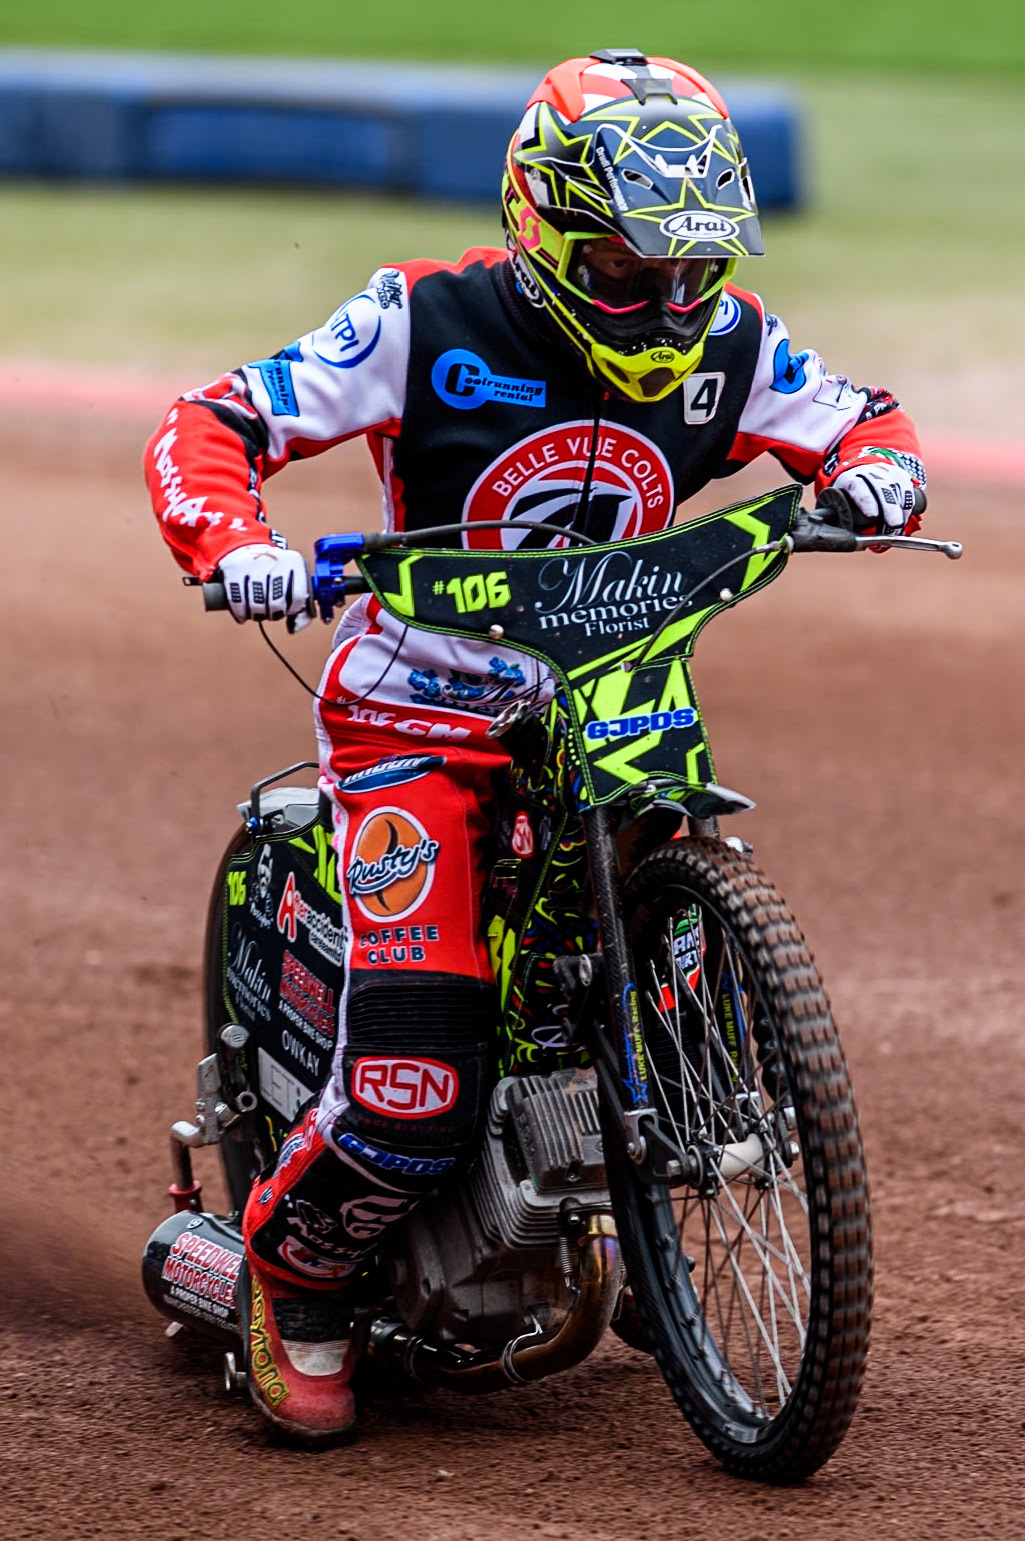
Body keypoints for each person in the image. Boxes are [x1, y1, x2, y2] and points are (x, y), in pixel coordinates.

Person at [144, 49, 925, 1441]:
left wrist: (877, 471)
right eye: (635, 268)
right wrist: (241, 546)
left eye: (692, 267)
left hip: (622, 700)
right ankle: (291, 1269)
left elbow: (859, 415)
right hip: (414, 715)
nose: (672, 301)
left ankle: (641, 1190)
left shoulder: (730, 341)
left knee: (693, 974)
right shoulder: (420, 316)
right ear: (548, 230)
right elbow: (212, 424)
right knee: (415, 1078)